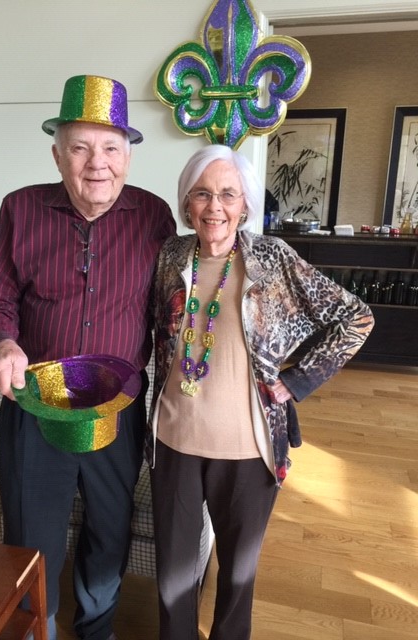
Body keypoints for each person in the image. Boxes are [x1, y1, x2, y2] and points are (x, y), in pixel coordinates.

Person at [0, 74, 176, 640]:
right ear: (57, 154)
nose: (97, 163)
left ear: (128, 157)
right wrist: (3, 342)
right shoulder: (20, 209)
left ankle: (97, 633)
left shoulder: (156, 218)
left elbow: (171, 313)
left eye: (111, 147)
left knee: (109, 534)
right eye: (81, 147)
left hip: (116, 411)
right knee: (30, 540)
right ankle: (36, 631)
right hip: (36, 409)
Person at [147, 144, 374, 640]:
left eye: (229, 194)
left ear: (245, 204)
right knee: (172, 584)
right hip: (174, 441)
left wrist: (295, 381)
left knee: (237, 582)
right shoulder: (170, 256)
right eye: (203, 194)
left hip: (248, 450)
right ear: (187, 203)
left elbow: (355, 317)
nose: (215, 207)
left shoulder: (271, 258)